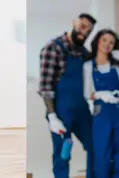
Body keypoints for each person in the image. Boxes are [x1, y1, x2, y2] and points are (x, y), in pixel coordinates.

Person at [38, 13, 97, 178]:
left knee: (95, 145)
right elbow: (45, 87)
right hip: (60, 112)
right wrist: (52, 116)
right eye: (82, 26)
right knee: (63, 153)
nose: (84, 32)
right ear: (74, 23)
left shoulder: (84, 52)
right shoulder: (53, 48)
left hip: (82, 111)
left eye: (89, 30)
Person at [83, 29, 119, 178]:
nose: (107, 44)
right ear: (98, 41)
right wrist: (101, 94)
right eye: (104, 40)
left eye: (111, 42)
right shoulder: (88, 66)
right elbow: (87, 93)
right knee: (101, 157)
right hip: (102, 113)